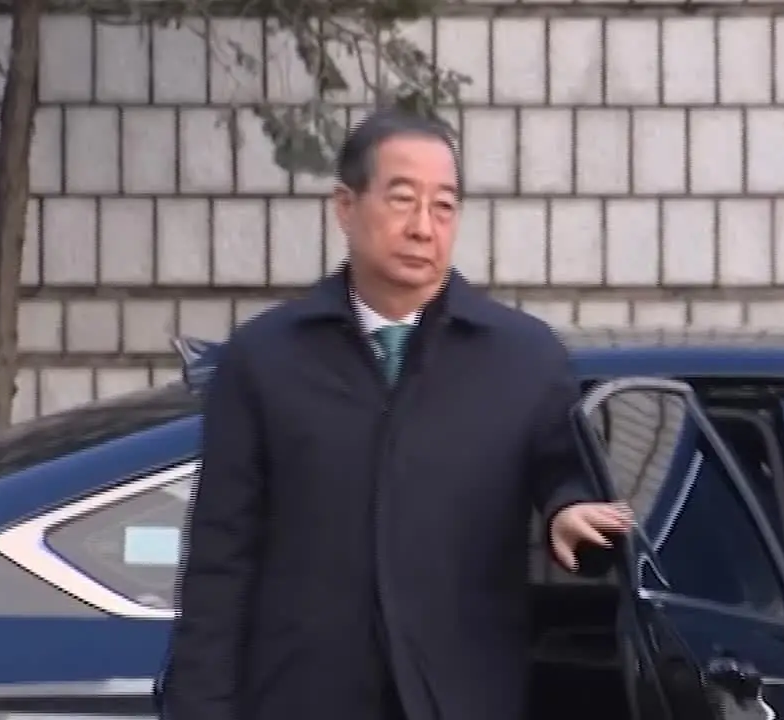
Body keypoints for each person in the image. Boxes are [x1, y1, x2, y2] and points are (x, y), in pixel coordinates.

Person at [156, 107, 632, 720]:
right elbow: (219, 563)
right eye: (403, 200)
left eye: (444, 206)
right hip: (301, 697)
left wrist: (569, 508)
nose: (423, 227)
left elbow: (566, 471)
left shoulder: (523, 358)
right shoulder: (266, 359)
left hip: (460, 695)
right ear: (345, 207)